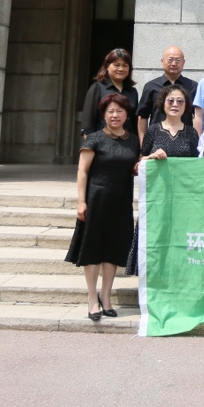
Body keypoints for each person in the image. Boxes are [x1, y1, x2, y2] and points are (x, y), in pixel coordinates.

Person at [65, 92, 140, 321]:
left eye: (119, 111)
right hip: (96, 200)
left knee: (113, 251)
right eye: (110, 111)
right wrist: (81, 201)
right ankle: (92, 298)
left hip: (121, 201)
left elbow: (134, 167)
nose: (115, 115)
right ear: (104, 115)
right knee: (93, 250)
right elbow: (82, 171)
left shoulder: (133, 140)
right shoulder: (94, 139)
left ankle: (106, 297)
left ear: (127, 114)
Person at [127, 84, 200, 276]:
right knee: (155, 236)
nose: (175, 104)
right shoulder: (153, 131)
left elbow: (196, 166)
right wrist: (151, 157)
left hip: (183, 197)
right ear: (163, 104)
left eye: (180, 101)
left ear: (186, 106)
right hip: (157, 197)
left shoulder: (192, 133)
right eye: (171, 100)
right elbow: (140, 163)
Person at [136, 46, 197, 142]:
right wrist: (143, 143)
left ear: (183, 62)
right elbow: (143, 116)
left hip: (185, 140)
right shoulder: (151, 86)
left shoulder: (193, 86)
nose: (174, 64)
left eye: (178, 60)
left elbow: (198, 116)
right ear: (162, 61)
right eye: (170, 60)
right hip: (156, 140)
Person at [79, 48, 138, 136]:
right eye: (116, 65)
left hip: (127, 140)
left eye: (125, 65)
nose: (121, 69)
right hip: (102, 140)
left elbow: (135, 122)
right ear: (107, 66)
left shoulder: (132, 91)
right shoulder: (97, 88)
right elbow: (88, 124)